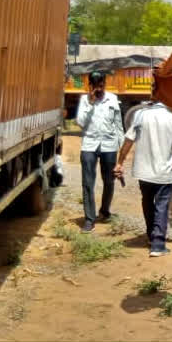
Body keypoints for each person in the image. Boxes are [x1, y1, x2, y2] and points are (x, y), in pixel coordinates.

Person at [113, 101, 172, 257]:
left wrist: (119, 162)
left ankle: (151, 236)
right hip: (162, 173)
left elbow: (128, 140)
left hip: (143, 171)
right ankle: (158, 244)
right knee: (162, 205)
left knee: (147, 201)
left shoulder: (140, 115)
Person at [76, 71, 124, 233]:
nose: (99, 89)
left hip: (109, 146)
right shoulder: (84, 100)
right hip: (89, 146)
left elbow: (118, 126)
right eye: (96, 86)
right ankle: (89, 219)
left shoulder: (112, 99)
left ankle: (104, 211)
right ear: (90, 86)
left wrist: (122, 155)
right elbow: (80, 123)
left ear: (105, 83)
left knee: (109, 181)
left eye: (101, 85)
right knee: (87, 183)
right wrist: (90, 102)